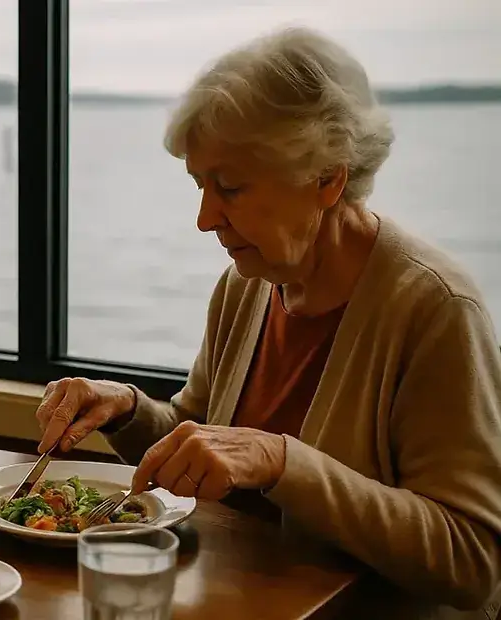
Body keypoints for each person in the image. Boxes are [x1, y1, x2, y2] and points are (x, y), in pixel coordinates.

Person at [35, 27, 501, 617]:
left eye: (230, 187)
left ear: (328, 178)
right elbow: (203, 439)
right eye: (200, 186)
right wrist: (127, 409)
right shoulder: (246, 284)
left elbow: (473, 562)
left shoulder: (435, 308)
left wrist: (283, 461)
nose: (205, 218)